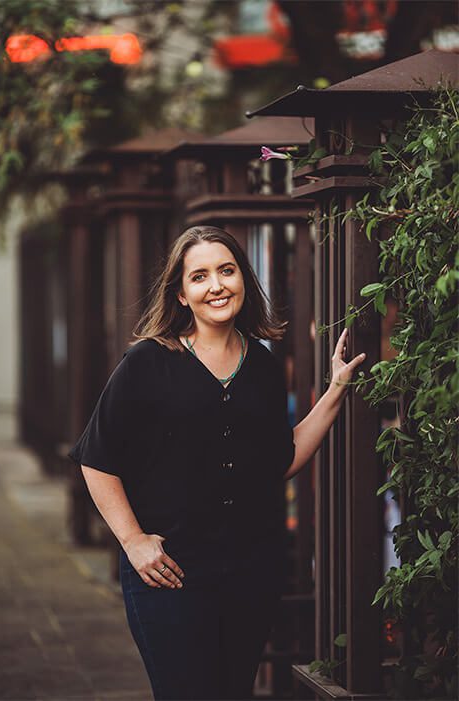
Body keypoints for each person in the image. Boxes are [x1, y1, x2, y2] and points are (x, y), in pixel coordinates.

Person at [73, 225, 365, 699]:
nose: (216, 286)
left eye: (226, 271)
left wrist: (336, 390)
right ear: (182, 294)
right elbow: (96, 458)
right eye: (200, 276)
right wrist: (133, 540)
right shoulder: (146, 363)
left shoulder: (264, 367)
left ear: (243, 280)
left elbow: (280, 459)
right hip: (169, 571)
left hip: (251, 571)